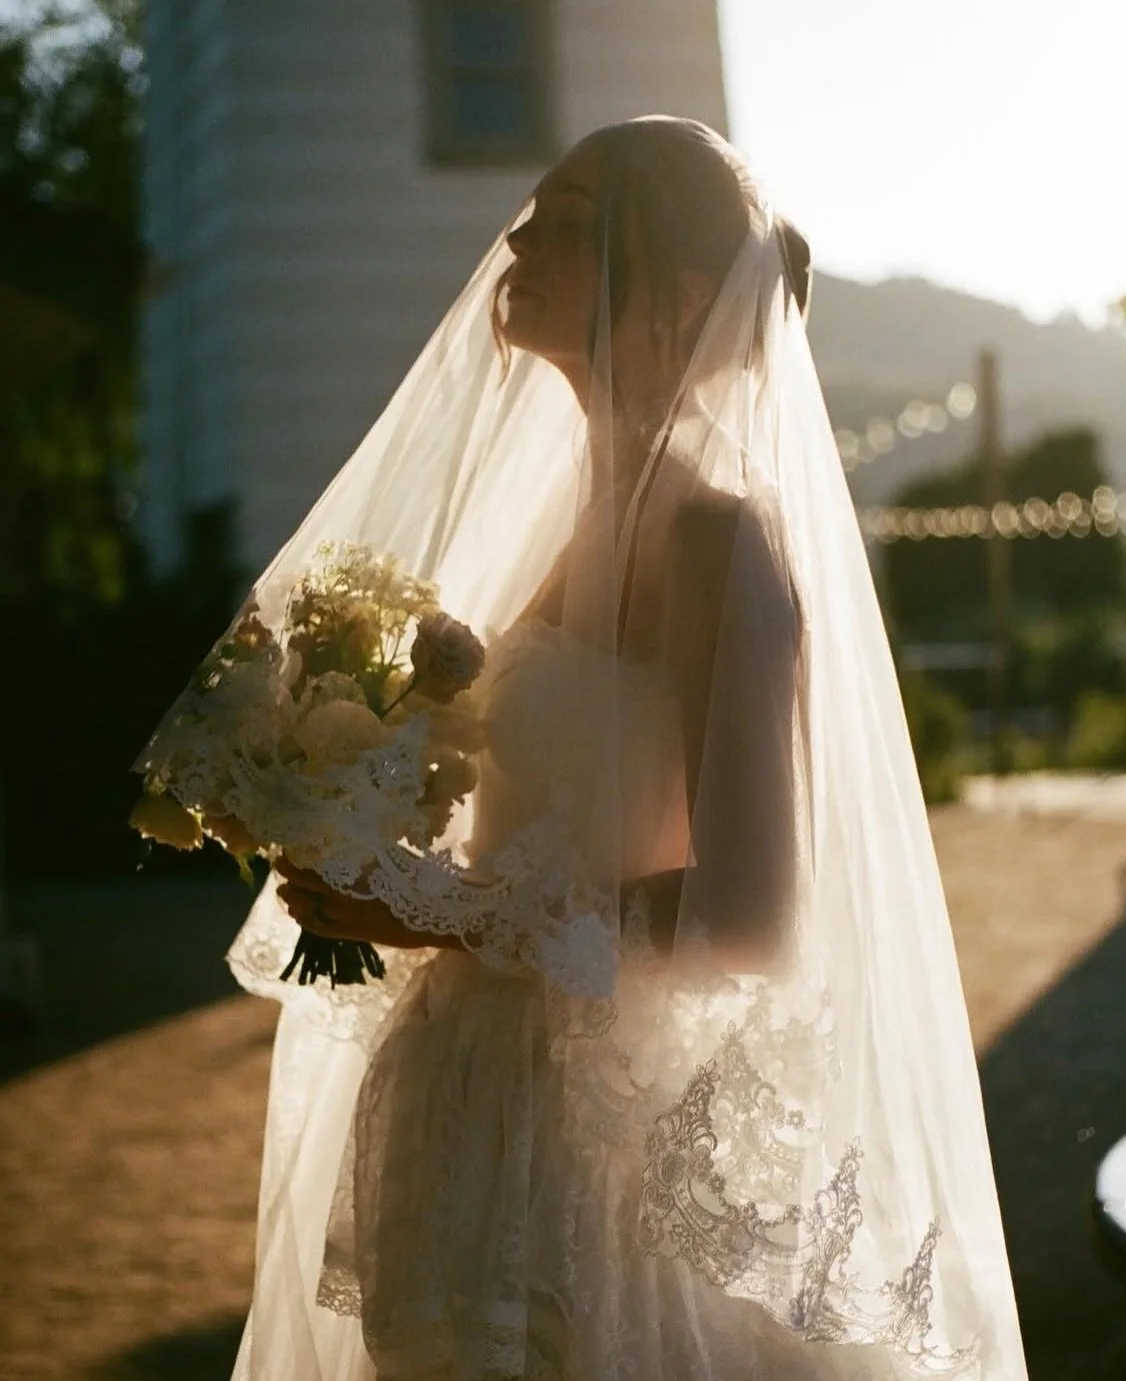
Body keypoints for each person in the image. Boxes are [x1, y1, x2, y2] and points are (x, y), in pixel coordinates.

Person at [214, 118, 1027, 1380]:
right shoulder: (564, 519)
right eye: (530, 214)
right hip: (471, 1099)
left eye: (571, 220)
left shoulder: (719, 542)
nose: (520, 240)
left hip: (607, 1145)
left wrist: (443, 911)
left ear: (682, 295)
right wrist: (355, 824)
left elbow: (752, 915)